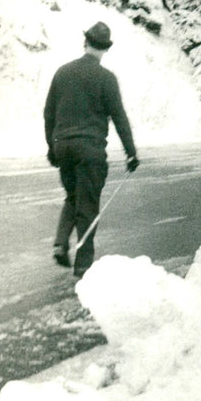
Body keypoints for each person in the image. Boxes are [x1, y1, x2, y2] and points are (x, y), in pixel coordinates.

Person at [44, 21, 139, 278]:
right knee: (88, 206)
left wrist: (52, 148)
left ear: (85, 42)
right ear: (105, 49)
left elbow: (48, 113)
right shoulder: (106, 79)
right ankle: (83, 268)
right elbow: (119, 117)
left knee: (73, 196)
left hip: (64, 147)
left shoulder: (62, 72)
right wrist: (131, 152)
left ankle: (60, 243)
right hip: (90, 152)